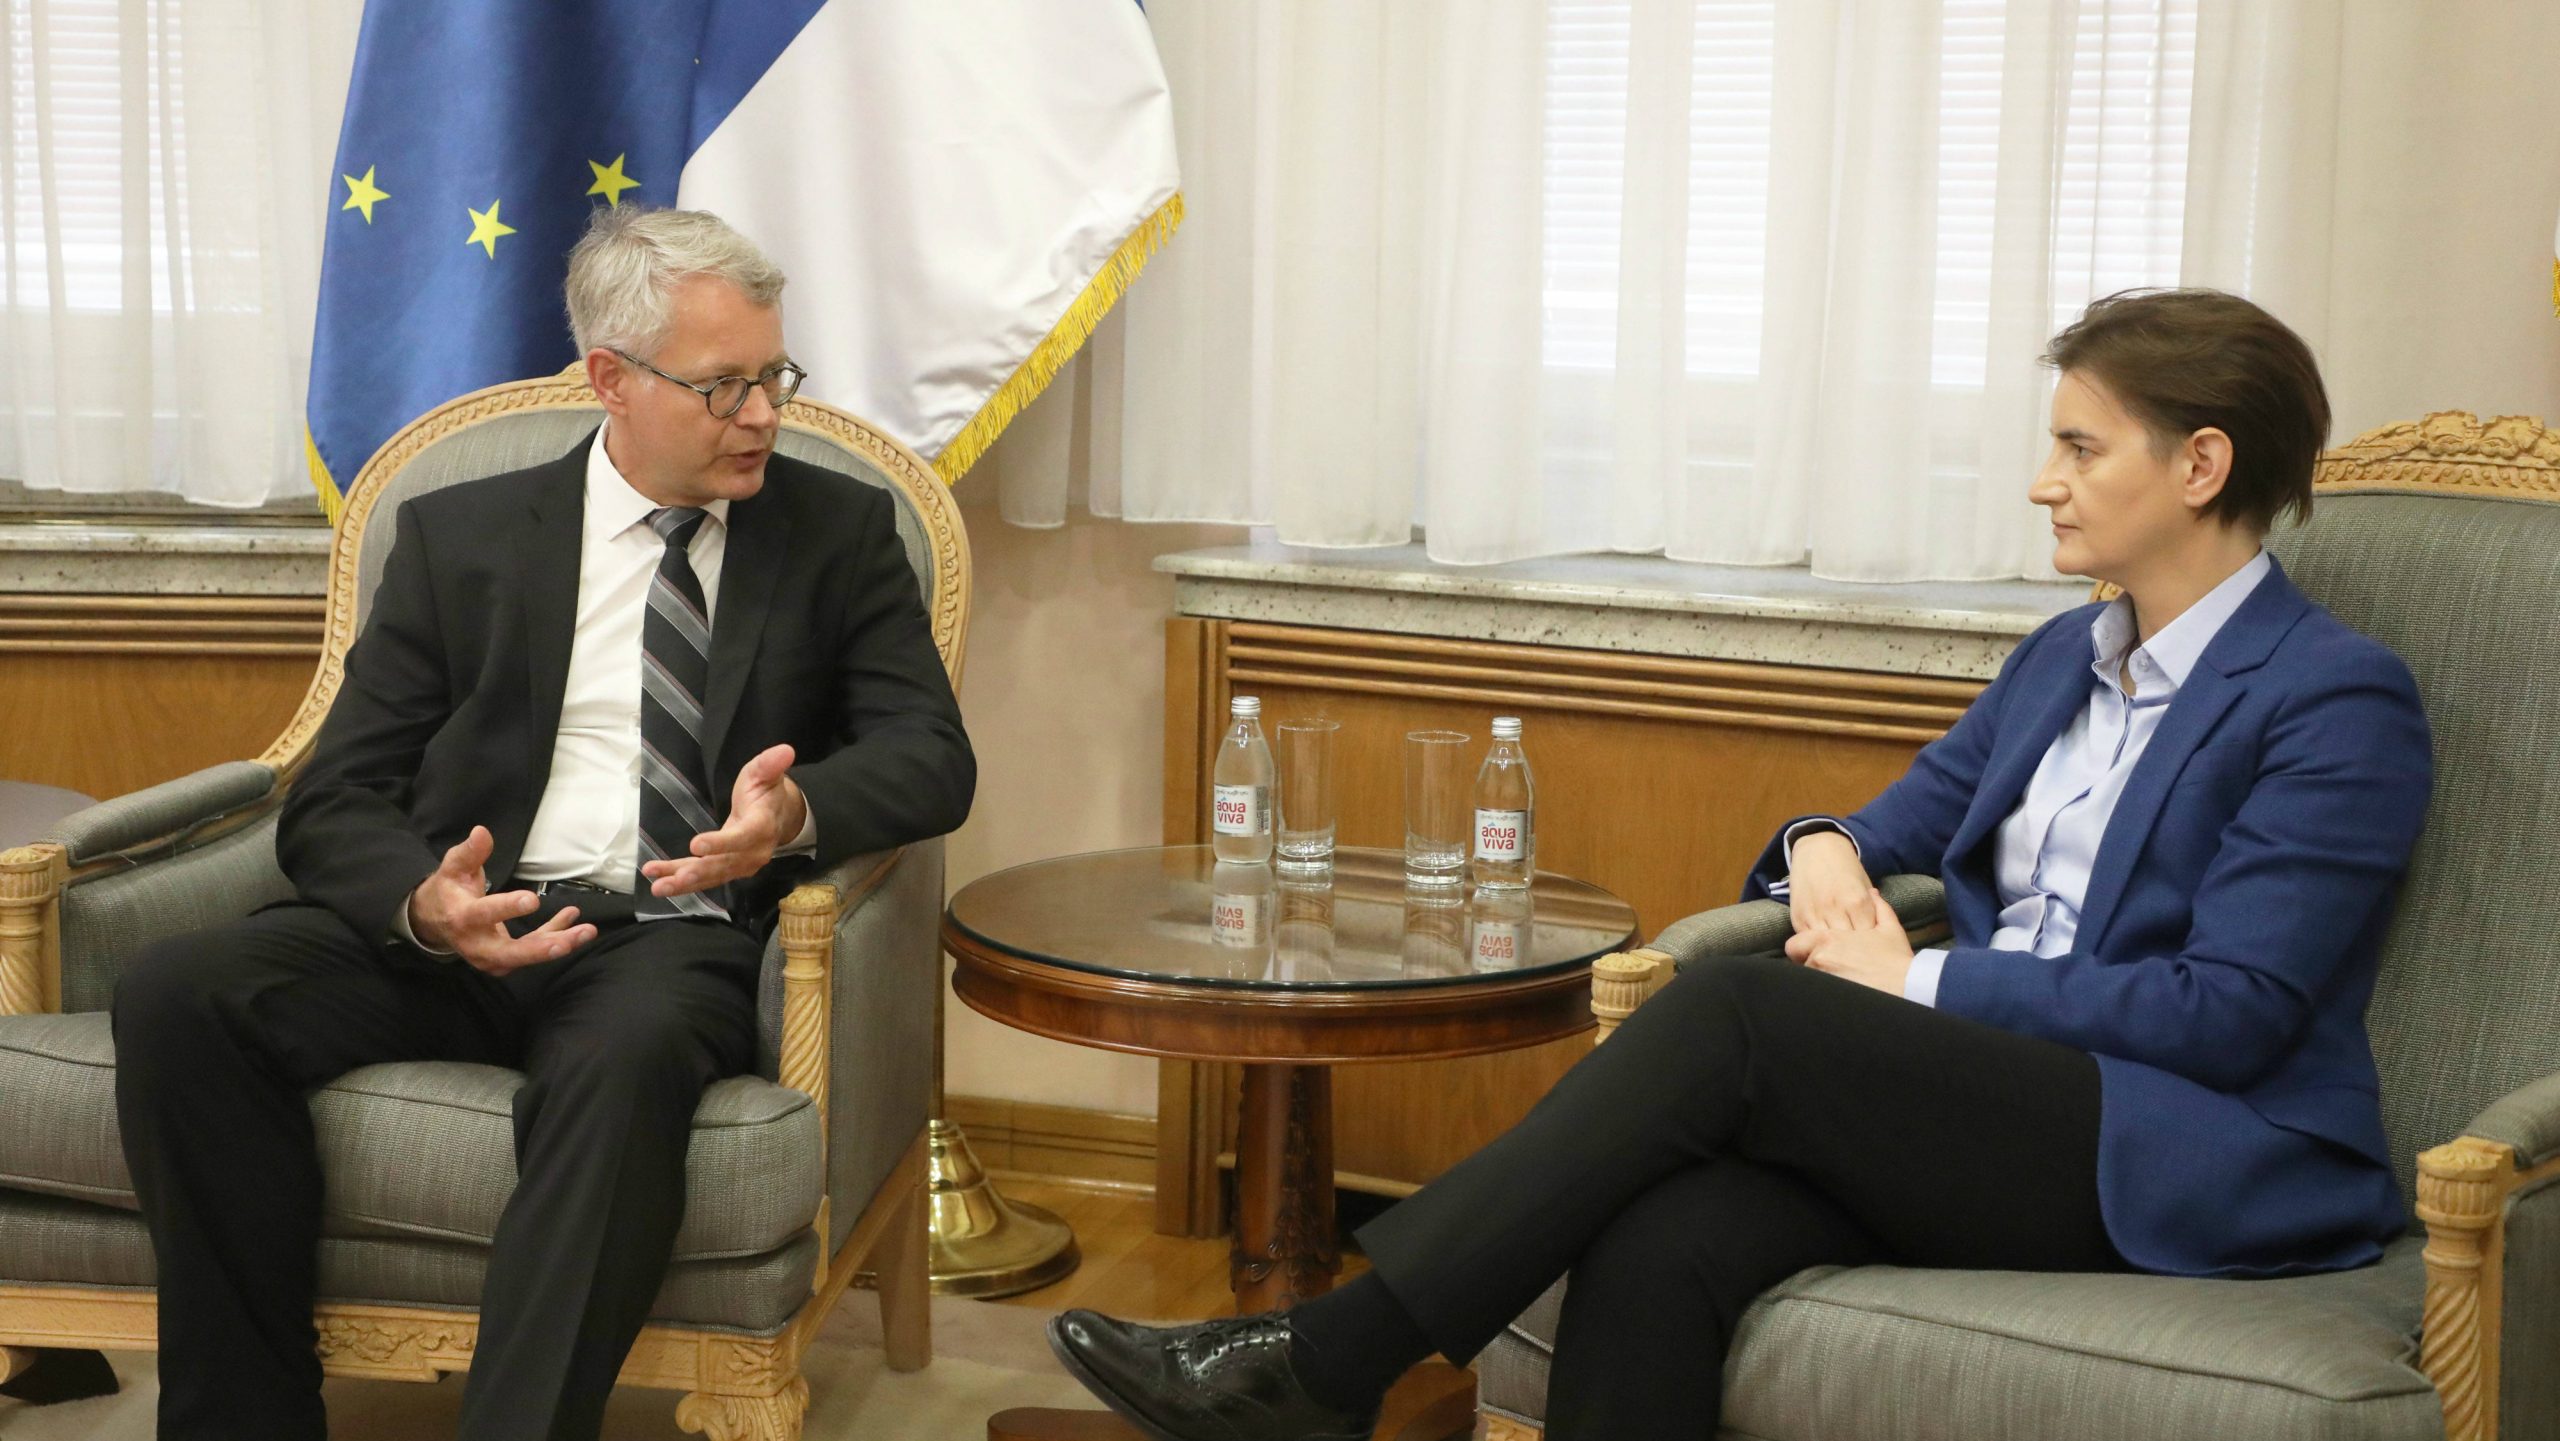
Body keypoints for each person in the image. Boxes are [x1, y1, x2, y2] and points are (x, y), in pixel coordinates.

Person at [1047, 288, 2434, 1440]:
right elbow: (1886, 822)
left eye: (2080, 447)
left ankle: (1330, 1360)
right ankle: (1323, 1373)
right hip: (1994, 1106)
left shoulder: (2331, 697)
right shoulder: (2064, 656)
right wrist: (1825, 845)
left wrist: (1917, 982)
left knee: (1737, 1012)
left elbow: (2233, 1011)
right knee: (1666, 1239)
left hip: (2174, 1141)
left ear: (2200, 466)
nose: (2041, 480)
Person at [107, 206, 974, 1441]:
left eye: (773, 377)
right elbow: (338, 791)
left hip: (663, 934)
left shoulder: (833, 532)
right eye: (723, 387)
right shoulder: (460, 536)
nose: (762, 416)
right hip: (464, 923)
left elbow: (931, 756)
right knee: (180, 991)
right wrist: (424, 902)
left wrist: (794, 814)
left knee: (625, 1066)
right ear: (611, 379)